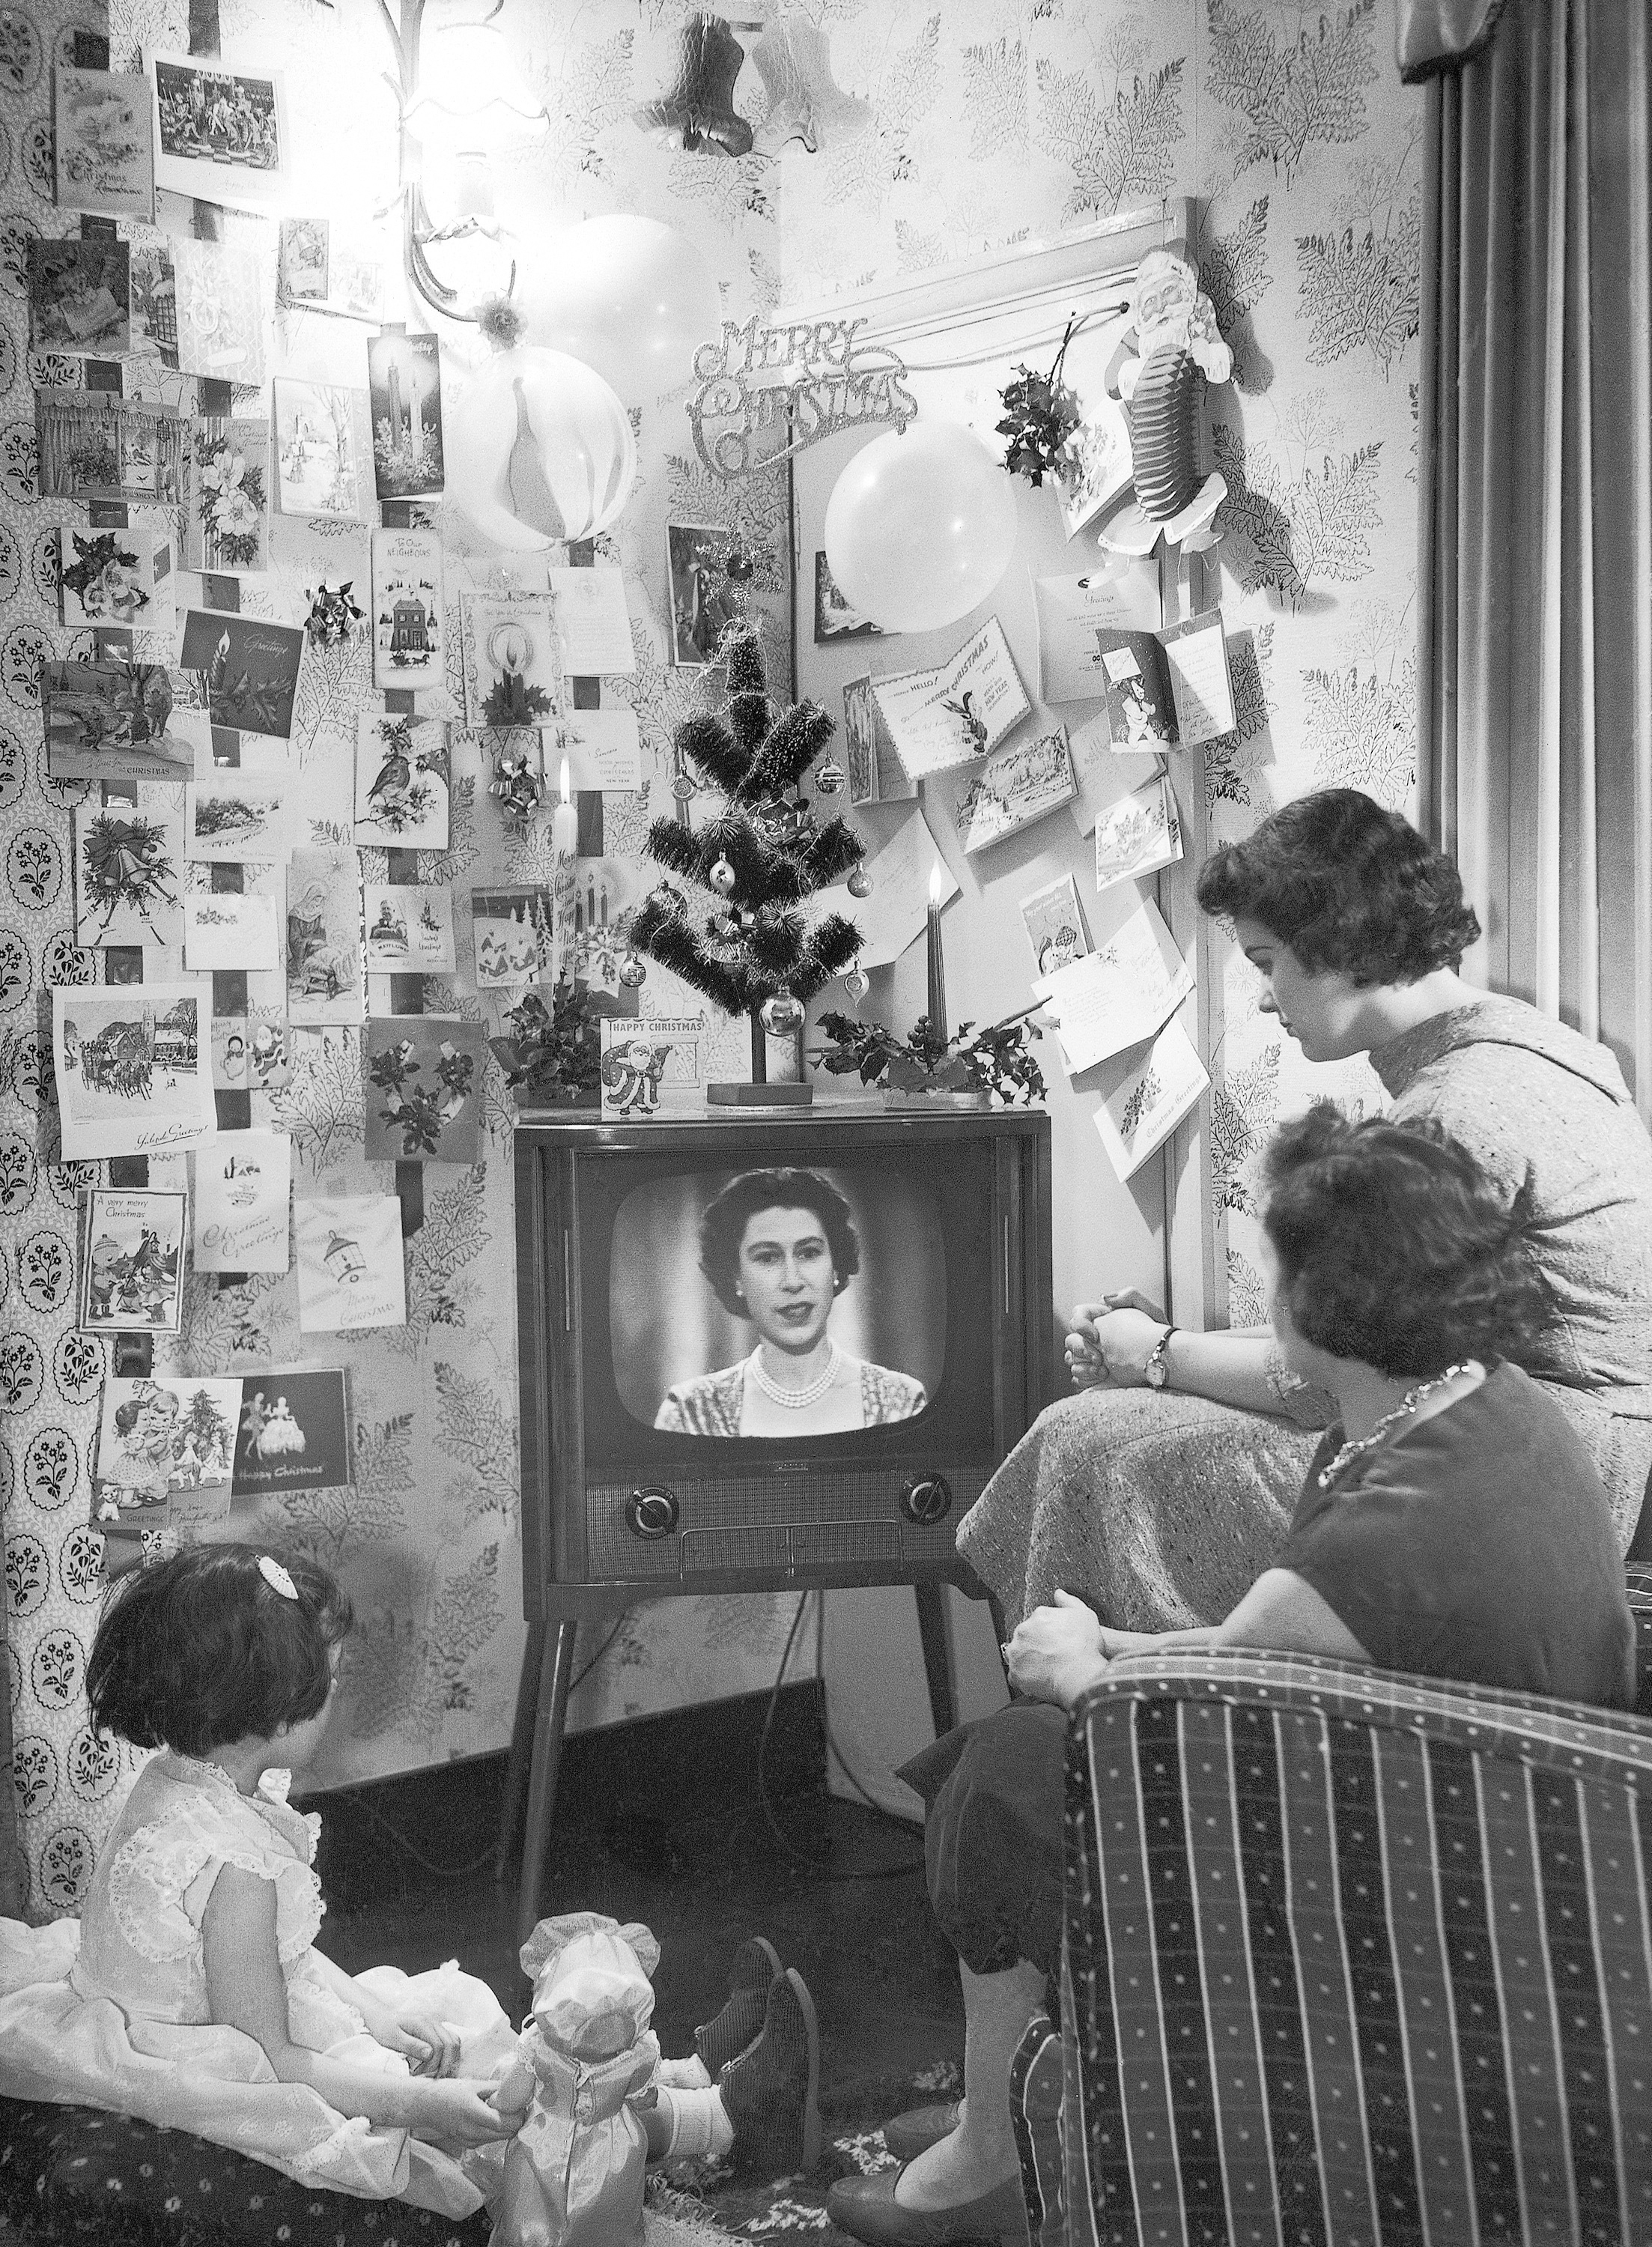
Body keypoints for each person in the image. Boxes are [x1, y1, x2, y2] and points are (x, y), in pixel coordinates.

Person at [830, 1110, 1636, 2247]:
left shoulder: (1383, 1535)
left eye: (1274, 1270)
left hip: (1423, 1917)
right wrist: (1114, 1648)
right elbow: (1262, 1661)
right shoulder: (1478, 1399)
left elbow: (1218, 1694)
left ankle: (995, 2161)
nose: (1266, 1297)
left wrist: (1083, 1668)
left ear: (1332, 1304)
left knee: (1006, 1770)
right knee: (991, 1756)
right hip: (1514, 1850)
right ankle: (1008, 2108)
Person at [958, 789, 1652, 1641]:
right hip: (1503, 1423)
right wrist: (1162, 1347)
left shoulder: (1458, 1114)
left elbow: (1327, 1378)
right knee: (1093, 1428)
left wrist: (1159, 1358)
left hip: (1527, 1468)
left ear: (1334, 943)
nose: (1261, 998)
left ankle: (1107, 1719)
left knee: (1093, 1447)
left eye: (1263, 961)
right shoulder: (1527, 1048)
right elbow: (1370, 1331)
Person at [0, 1546, 821, 2215]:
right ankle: (719, 2119)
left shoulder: (181, 1782)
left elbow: (250, 1961)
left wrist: (368, 2008)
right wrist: (431, 2108)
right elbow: (273, 2058)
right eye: (329, 1679)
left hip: (192, 2022)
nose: (337, 1695)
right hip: (235, 2067)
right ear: (269, 1702)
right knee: (470, 2087)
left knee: (431, 2018)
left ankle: (675, 2076)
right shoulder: (236, 1862)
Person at [656, 1168, 927, 1437]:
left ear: (835, 1267)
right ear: (736, 1277)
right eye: (767, 1258)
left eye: (809, 1253)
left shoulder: (901, 1402)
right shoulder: (691, 1413)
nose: (793, 1281)